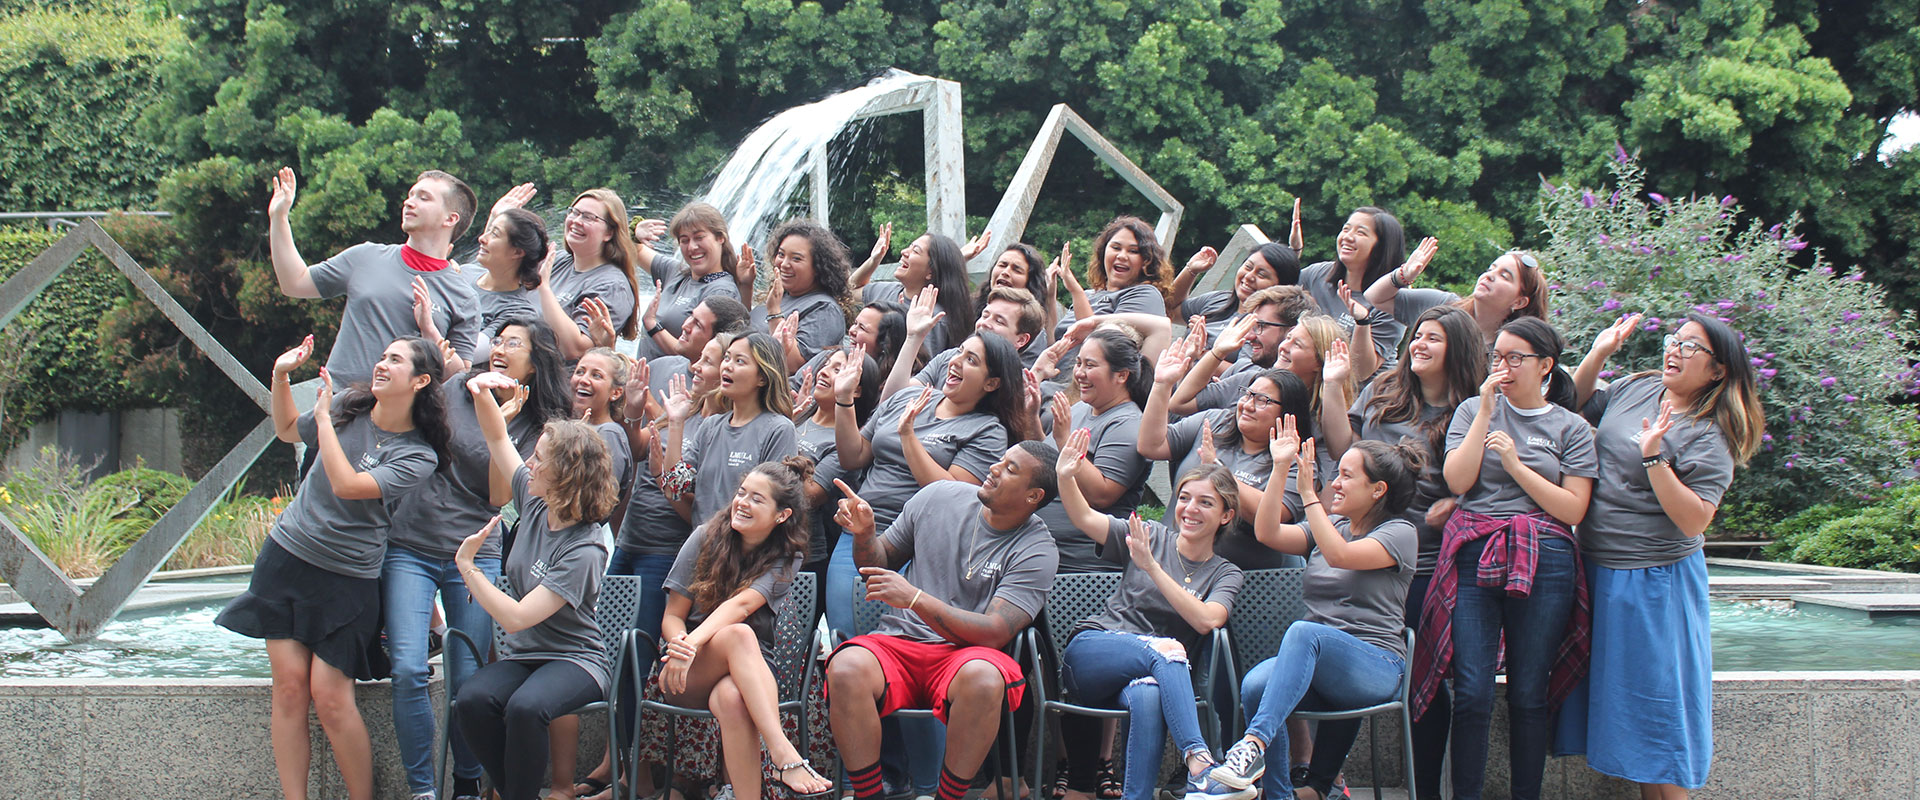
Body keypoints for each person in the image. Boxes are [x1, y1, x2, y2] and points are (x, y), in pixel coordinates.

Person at [217, 334, 446, 800]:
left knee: (332, 698)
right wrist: (282, 374)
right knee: (288, 690)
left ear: (421, 381)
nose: (382, 364)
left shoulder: (419, 455)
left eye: (396, 360)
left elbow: (348, 485)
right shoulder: (348, 405)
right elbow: (284, 428)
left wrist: (323, 419)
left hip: (348, 578)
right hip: (287, 558)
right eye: (382, 356)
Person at [1556, 313, 1765, 799]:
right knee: (1622, 711)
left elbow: (1694, 520)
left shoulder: (1710, 433)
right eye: (1675, 341)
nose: (1674, 350)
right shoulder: (1638, 387)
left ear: (1717, 371)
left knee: (1656, 714)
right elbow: (1576, 401)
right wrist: (1600, 352)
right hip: (1596, 567)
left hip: (1653, 582)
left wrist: (1656, 459)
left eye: (1692, 347)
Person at [384, 318, 571, 800]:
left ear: (536, 362)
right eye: (499, 340)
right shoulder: (454, 388)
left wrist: (501, 421)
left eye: (515, 344)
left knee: (469, 676)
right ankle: (422, 789)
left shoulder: (539, 424)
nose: (500, 349)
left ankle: (467, 783)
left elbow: (495, 494)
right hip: (412, 543)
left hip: (475, 549)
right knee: (407, 668)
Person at [1413, 316, 1597, 800]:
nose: (1504, 367)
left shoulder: (1571, 428)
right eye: (1498, 358)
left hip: (1546, 557)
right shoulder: (1474, 408)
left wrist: (1516, 465)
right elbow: (1458, 481)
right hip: (1475, 553)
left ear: (1546, 367)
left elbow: (1572, 508)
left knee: (1528, 693)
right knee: (1472, 692)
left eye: (1516, 359)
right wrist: (1484, 413)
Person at [1188, 430, 1422, 800]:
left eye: (1346, 475)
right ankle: (1278, 793)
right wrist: (1281, 468)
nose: (1335, 483)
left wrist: (1311, 496)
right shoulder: (1333, 527)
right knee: (1254, 685)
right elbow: (1267, 532)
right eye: (1336, 474)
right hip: (1318, 665)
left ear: (1377, 490)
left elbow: (1340, 556)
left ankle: (1251, 747)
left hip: (1375, 666)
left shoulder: (1399, 533)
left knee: (1303, 631)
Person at [826, 442, 1062, 800]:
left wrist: (916, 599)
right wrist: (864, 534)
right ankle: (869, 795)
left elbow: (996, 631)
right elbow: (879, 560)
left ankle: (947, 798)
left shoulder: (1038, 547)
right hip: (898, 642)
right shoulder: (938, 497)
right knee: (844, 667)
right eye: (1000, 460)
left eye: (1011, 469)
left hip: (967, 653)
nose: (995, 468)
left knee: (985, 679)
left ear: (1034, 496)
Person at [1312, 305, 1483, 799]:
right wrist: (1332, 385)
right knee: (1350, 665)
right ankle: (1318, 784)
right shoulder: (1385, 389)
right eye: (1417, 336)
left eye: (1434, 338)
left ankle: (1424, 790)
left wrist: (1457, 501)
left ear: (1459, 349)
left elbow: (1484, 476)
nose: (1419, 345)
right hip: (1363, 551)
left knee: (1424, 681)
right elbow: (1343, 443)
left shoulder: (1470, 408)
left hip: (1428, 564)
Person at [455, 374, 621, 800]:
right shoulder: (533, 502)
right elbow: (496, 438)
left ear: (565, 474)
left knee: (526, 708)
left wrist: (467, 567)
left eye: (540, 459)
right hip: (528, 655)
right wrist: (481, 391)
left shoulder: (585, 548)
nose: (529, 461)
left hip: (577, 660)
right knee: (472, 700)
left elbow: (515, 617)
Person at [1053, 436, 1244, 800]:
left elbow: (1207, 621)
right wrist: (1066, 477)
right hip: (1096, 651)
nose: (1189, 509)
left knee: (1149, 695)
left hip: (1151, 674)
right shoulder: (1150, 534)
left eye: (1206, 503)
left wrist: (1152, 568)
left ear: (1226, 515)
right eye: (1184, 498)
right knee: (1170, 650)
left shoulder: (1225, 573)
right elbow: (1085, 517)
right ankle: (1201, 765)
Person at [646, 457, 836, 800]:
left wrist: (690, 643)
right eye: (742, 493)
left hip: (750, 675)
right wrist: (682, 646)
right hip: (688, 668)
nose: (742, 503)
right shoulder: (705, 537)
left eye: (757, 499)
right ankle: (781, 752)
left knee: (733, 697)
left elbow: (742, 605)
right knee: (739, 634)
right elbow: (672, 616)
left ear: (782, 515)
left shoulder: (787, 555)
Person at [267, 167, 482, 387]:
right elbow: (294, 283)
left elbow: (458, 378)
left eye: (424, 198)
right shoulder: (365, 256)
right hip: (337, 410)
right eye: (410, 195)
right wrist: (279, 218)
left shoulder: (463, 297)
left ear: (450, 218)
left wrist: (429, 330)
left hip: (404, 418)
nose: (409, 202)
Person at [1140, 341, 1312, 570]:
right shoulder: (1215, 421)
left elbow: (1273, 517)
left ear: (1288, 412)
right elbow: (1151, 446)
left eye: (1262, 400)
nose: (1248, 405)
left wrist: (1219, 470)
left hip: (1243, 580)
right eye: (1248, 395)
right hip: (1169, 561)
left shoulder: (1295, 461)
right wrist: (1161, 385)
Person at [1037, 327, 1151, 573]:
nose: (1079, 373)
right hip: (1039, 547)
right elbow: (1046, 457)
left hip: (1079, 565)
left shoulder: (1128, 424)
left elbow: (1101, 495)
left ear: (1121, 375)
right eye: (1078, 363)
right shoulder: (1080, 408)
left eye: (1090, 365)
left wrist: (1064, 440)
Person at [662, 332, 799, 526]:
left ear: (762, 377)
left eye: (740, 361)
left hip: (744, 551)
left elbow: (775, 505)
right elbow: (674, 488)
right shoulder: (711, 426)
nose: (727, 365)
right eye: (726, 358)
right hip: (704, 546)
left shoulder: (779, 430)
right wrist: (676, 423)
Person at [793, 349, 882, 614]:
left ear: (855, 390)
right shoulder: (798, 417)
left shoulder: (843, 443)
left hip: (803, 556)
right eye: (826, 365)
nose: (823, 371)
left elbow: (809, 495)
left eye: (837, 370)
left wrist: (778, 436)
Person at [1167, 286, 1318, 416]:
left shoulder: (1318, 405)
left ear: (1291, 331)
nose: (1249, 336)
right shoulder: (1244, 372)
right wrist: (1194, 358)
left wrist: (1216, 353)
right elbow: (1181, 406)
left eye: (1261, 326)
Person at [1364, 245, 1549, 345]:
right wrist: (1404, 275)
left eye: (1504, 276)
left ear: (1519, 302)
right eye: (1491, 268)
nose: (1489, 275)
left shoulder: (1511, 350)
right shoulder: (1444, 306)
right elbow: (1374, 297)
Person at [632, 203, 749, 361]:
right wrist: (634, 231)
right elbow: (631, 249)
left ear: (720, 237)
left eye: (699, 237)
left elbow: (701, 355)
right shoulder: (675, 272)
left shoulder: (722, 292)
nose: (692, 247)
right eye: (684, 240)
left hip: (676, 383)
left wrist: (652, 325)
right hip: (645, 380)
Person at [884, 286, 1047, 400]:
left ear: (1021, 339)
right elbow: (893, 399)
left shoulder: (1017, 385)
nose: (985, 323)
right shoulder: (950, 357)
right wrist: (913, 338)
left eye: (999, 321)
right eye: (985, 315)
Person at [1050, 218, 1175, 365]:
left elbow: (1103, 348)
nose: (1122, 256)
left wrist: (1076, 292)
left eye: (1133, 251)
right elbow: (1053, 343)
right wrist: (1049, 297)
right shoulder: (1090, 295)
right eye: (1116, 248)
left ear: (1146, 261)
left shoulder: (1146, 295)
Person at [536, 188, 642, 360]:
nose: (577, 221)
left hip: (562, 383)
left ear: (609, 233)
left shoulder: (612, 286)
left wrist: (545, 290)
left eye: (588, 217)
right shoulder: (557, 261)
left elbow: (576, 349)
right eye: (574, 213)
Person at [1296, 207, 1407, 369]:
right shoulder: (1319, 274)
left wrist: (1362, 321)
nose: (1347, 237)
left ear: (1381, 248)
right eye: (1346, 229)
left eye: (1360, 233)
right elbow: (1278, 292)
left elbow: (1362, 371)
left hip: (1361, 391)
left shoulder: (1393, 300)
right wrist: (1293, 252)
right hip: (1312, 381)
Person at [852, 229, 977, 356]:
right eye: (909, 247)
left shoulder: (934, 319)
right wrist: (874, 260)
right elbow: (850, 291)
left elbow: (923, 369)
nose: (904, 252)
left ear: (931, 272)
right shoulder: (886, 290)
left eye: (915, 251)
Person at [457, 208, 548, 373]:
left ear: (517, 252)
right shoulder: (464, 273)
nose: (482, 238)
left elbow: (469, 352)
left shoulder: (519, 312)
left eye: (495, 234)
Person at [755, 219, 854, 370]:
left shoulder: (825, 309)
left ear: (818, 267)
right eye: (781, 254)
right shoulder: (781, 296)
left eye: (796, 258)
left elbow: (793, 365)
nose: (784, 264)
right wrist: (745, 285)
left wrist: (774, 312)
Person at [1167, 243, 1302, 347]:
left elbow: (1249, 371)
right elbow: (1169, 310)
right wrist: (1191, 270)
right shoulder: (1218, 300)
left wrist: (1203, 347)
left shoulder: (1269, 327)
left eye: (1261, 274)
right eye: (1248, 267)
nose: (1249, 276)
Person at [975, 243, 1057, 348]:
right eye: (1002, 265)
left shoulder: (1035, 338)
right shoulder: (969, 309)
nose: (1005, 272)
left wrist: (1051, 296)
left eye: (1016, 270)